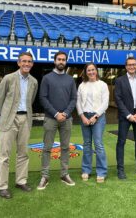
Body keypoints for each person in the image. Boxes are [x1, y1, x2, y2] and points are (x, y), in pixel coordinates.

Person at [0, 52, 38, 199]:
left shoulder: (34, 81)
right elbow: (0, 100)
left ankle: (21, 181)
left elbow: (30, 100)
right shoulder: (8, 78)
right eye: (24, 61)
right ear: (18, 63)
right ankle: (2, 186)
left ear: (32, 64)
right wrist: (7, 115)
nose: (27, 64)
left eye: (29, 62)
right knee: (4, 155)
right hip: (9, 119)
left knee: (23, 153)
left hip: (25, 119)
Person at [37, 51, 77, 190]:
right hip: (50, 118)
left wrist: (65, 113)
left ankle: (64, 174)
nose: (61, 62)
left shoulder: (70, 79)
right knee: (47, 148)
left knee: (65, 148)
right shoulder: (47, 78)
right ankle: (45, 176)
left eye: (64, 60)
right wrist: (55, 114)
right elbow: (43, 98)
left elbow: (73, 99)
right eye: (59, 59)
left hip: (67, 119)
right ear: (54, 61)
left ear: (66, 62)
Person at [114, 56, 136, 180]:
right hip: (125, 116)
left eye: (134, 64)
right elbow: (118, 99)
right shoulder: (119, 81)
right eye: (129, 64)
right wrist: (128, 115)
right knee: (121, 142)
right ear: (126, 66)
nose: (132, 66)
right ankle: (120, 169)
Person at [76, 62, 109, 183]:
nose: (91, 72)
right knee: (87, 144)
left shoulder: (103, 85)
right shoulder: (81, 85)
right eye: (88, 70)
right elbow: (78, 102)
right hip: (85, 116)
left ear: (96, 71)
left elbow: (105, 103)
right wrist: (82, 116)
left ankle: (101, 172)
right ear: (85, 72)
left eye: (93, 70)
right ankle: (86, 170)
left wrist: (95, 116)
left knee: (98, 144)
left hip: (98, 117)